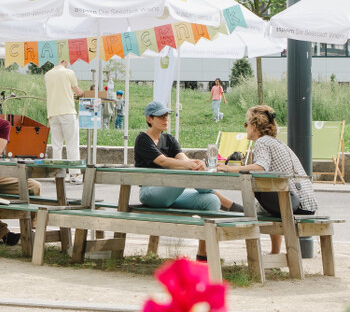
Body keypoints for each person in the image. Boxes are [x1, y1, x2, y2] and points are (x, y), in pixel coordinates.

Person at [220, 103, 319, 260]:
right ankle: (274, 251)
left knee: (253, 196)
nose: (245, 128)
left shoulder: (262, 142)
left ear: (254, 126)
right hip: (305, 205)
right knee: (265, 190)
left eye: (246, 124)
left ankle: (221, 202)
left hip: (294, 205)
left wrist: (230, 169)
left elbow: (261, 167)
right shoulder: (275, 142)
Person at [133, 101, 237, 215]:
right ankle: (229, 205)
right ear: (149, 119)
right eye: (161, 116)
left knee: (212, 201)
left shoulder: (169, 139)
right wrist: (191, 165)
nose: (166, 119)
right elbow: (163, 161)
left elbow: (184, 160)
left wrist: (198, 164)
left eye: (167, 115)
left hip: (171, 191)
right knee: (184, 171)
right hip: (150, 191)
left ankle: (204, 226)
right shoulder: (143, 139)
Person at [44, 59, 96, 161]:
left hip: (52, 113)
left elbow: (57, 90)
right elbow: (78, 92)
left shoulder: (47, 74)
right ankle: (74, 170)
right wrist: (82, 93)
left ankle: (58, 169)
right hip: (67, 112)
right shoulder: (69, 72)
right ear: (65, 61)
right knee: (72, 144)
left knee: (56, 145)